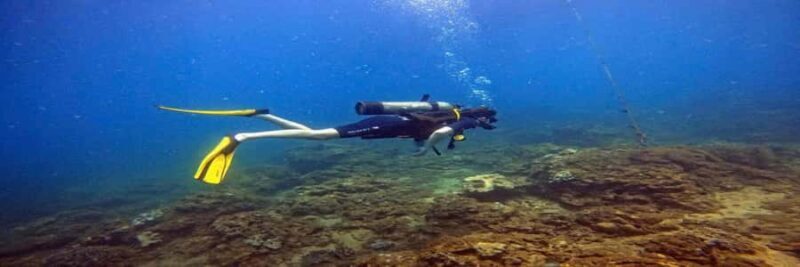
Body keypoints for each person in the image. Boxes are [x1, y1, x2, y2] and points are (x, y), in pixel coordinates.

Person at [157, 96, 498, 184]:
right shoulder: (461, 119)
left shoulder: (453, 111)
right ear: (481, 118)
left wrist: (425, 148)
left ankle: (260, 114)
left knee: (314, 135)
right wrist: (430, 149)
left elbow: (430, 129)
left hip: (388, 123)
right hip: (383, 125)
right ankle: (242, 136)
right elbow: (438, 134)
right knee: (320, 136)